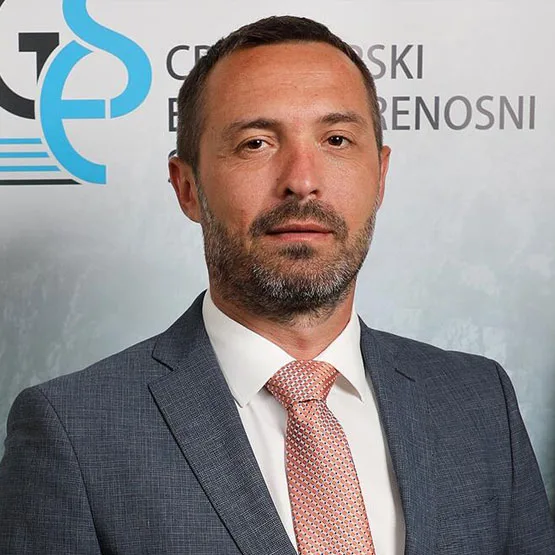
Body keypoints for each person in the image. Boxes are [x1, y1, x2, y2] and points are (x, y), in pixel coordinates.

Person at [0, 15, 553, 555]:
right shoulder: (73, 431)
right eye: (256, 143)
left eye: (336, 139)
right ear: (187, 187)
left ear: (381, 176)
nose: (302, 181)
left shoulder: (478, 399)